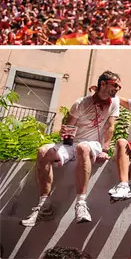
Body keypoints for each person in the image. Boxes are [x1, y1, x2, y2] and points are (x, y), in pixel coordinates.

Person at [22, 71, 120, 226]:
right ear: (103, 84)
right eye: (115, 85)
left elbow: (110, 126)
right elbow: (69, 127)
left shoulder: (115, 102)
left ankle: (81, 203)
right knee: (43, 151)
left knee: (83, 147)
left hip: (92, 144)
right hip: (72, 144)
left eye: (119, 86)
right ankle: (44, 206)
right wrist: (64, 132)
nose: (117, 88)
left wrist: (105, 150)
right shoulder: (81, 103)